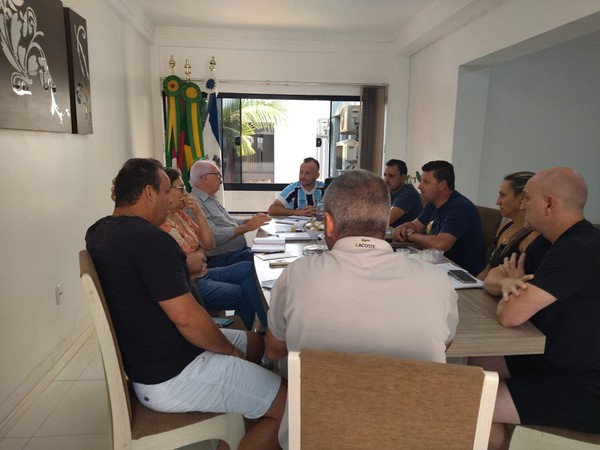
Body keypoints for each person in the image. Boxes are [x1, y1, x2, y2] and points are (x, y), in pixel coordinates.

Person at [86, 158, 285, 450]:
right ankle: (265, 409)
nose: (171, 200)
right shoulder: (150, 241)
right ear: (149, 193)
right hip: (174, 373)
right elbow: (187, 319)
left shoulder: (99, 231)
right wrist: (230, 353)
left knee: (258, 344)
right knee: (290, 404)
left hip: (157, 354)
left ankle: (250, 404)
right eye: (167, 191)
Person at [266, 169, 459, 448]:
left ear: (328, 224)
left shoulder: (297, 275)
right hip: (411, 439)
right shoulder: (437, 281)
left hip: (318, 437)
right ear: (386, 223)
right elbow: (445, 344)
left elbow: (275, 350)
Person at [471, 167, 600, 450]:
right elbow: (493, 277)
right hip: (546, 356)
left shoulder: (579, 248)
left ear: (549, 204)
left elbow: (510, 315)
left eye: (527, 198)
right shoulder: (547, 240)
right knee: (475, 361)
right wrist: (508, 284)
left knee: (469, 401)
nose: (522, 204)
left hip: (581, 383)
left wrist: (510, 292)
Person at [161, 167, 268, 330]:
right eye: (181, 188)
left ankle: (264, 329)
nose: (186, 193)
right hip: (193, 282)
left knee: (249, 268)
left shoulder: (181, 214)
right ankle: (262, 332)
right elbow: (201, 253)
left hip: (204, 272)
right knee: (248, 288)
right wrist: (199, 251)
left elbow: (208, 244)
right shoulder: (162, 224)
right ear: (165, 192)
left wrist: (199, 213)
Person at [393, 160, 484, 275]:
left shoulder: (460, 208)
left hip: (460, 275)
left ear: (442, 185)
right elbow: (415, 225)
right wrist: (403, 227)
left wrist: (410, 235)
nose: (420, 186)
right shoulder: (433, 203)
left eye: (426, 182)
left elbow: (440, 244)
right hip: (437, 267)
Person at [188, 160, 271, 268]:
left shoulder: (210, 198)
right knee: (265, 262)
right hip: (221, 257)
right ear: (204, 178)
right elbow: (214, 235)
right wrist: (247, 227)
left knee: (271, 254)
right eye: (217, 175)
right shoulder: (194, 203)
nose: (220, 179)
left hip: (237, 252)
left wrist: (250, 221)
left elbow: (228, 222)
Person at [477, 171, 539, 279]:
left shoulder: (531, 238)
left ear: (522, 198)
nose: (497, 202)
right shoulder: (505, 226)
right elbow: (488, 269)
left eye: (503, 195)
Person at [383, 158, 423, 227]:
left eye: (391, 176)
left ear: (403, 178)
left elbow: (386, 220)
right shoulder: (387, 191)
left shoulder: (409, 193)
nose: (386, 179)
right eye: (385, 175)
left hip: (407, 233)